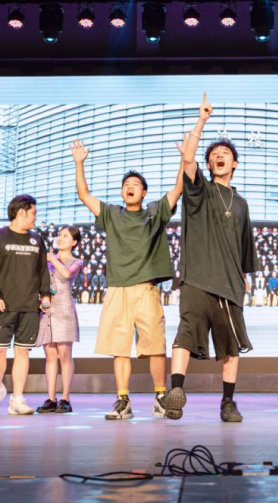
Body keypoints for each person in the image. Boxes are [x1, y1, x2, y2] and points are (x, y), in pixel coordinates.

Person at [161, 93, 261, 423]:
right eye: (214, 155)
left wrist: (244, 275)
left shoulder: (241, 204)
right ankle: (175, 393)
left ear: (235, 164)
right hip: (196, 279)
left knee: (230, 346)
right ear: (209, 165)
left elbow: (245, 244)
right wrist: (201, 120)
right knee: (185, 334)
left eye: (225, 154)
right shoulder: (199, 190)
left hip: (229, 285)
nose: (219, 156)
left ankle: (228, 402)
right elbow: (188, 159)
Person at [71, 140, 183, 420]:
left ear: (144, 192)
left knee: (155, 347)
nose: (130, 187)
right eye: (126, 184)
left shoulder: (155, 212)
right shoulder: (112, 214)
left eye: (135, 184)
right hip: (117, 290)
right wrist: (79, 162)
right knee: (118, 348)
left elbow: (178, 188)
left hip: (146, 290)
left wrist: (185, 158)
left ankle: (160, 398)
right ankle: (123, 401)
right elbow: (84, 194)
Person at [0, 195, 51, 416]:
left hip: (29, 306)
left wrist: (45, 294)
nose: (35, 217)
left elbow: (42, 270)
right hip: (3, 305)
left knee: (22, 351)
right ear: (21, 212)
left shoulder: (37, 240)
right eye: (33, 213)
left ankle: (17, 398)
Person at [35, 226, 83, 414]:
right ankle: (51, 398)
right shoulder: (46, 260)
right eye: (60, 235)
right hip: (46, 310)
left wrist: (52, 258)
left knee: (64, 356)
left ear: (74, 242)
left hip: (64, 310)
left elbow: (67, 274)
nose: (60, 238)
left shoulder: (76, 261)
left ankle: (65, 398)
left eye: (65, 236)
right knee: (50, 356)